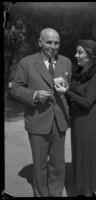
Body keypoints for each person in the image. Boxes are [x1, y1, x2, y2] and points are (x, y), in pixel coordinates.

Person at [10, 28, 72, 197]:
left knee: (58, 164)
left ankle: (56, 193)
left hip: (59, 120)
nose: (53, 46)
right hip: (37, 120)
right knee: (40, 164)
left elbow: (70, 89)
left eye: (56, 42)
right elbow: (15, 89)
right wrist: (34, 95)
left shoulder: (66, 62)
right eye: (49, 42)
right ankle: (42, 194)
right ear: (40, 42)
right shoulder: (27, 62)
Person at [55, 40, 96, 196]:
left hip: (89, 121)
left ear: (90, 56)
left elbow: (87, 102)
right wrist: (65, 86)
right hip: (78, 121)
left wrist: (66, 91)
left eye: (80, 52)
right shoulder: (79, 72)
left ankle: (90, 192)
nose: (76, 55)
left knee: (88, 157)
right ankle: (83, 189)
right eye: (77, 52)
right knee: (79, 155)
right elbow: (75, 95)